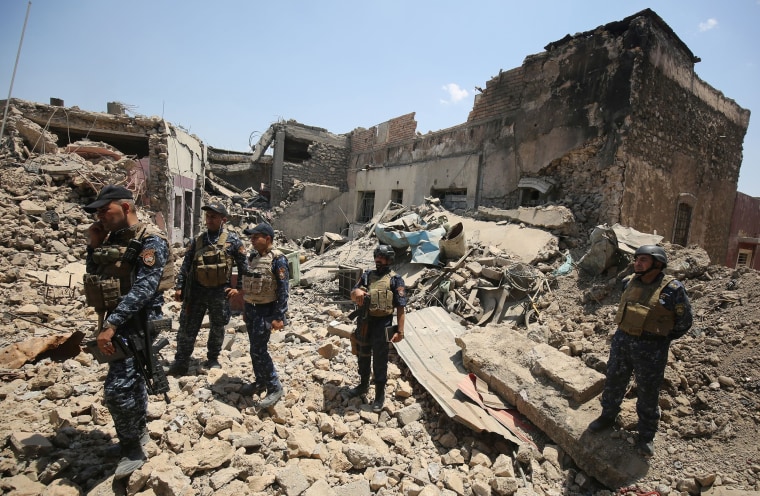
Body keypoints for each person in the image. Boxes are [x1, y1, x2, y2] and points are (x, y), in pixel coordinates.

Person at [82, 185, 173, 479]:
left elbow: (145, 288)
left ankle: (132, 449)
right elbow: (94, 276)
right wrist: (93, 246)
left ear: (124, 207)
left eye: (104, 210)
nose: (100, 216)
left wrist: (111, 325)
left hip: (138, 323)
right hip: (120, 320)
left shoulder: (151, 240)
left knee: (117, 389)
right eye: (96, 212)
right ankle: (136, 435)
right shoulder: (113, 238)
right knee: (131, 383)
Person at [588, 245, 693, 457]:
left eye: (643, 260)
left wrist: (659, 340)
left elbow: (684, 322)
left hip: (651, 349)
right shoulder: (629, 282)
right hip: (622, 343)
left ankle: (646, 435)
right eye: (636, 259)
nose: (637, 263)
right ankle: (608, 416)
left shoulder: (673, 289)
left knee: (648, 391)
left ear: (658, 264)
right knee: (614, 381)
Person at [168, 202, 248, 376]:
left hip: (220, 292)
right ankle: (181, 361)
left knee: (218, 327)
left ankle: (213, 358)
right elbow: (186, 265)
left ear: (223, 219)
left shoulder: (233, 241)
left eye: (213, 216)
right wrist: (180, 286)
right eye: (207, 216)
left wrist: (239, 289)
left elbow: (244, 267)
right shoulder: (198, 240)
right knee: (188, 326)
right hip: (196, 292)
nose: (209, 220)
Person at [346, 244, 407, 412]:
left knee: (380, 360)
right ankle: (363, 385)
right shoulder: (367, 276)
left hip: (384, 323)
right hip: (365, 321)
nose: (378, 261)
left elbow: (401, 307)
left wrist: (400, 331)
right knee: (362, 354)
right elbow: (352, 293)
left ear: (389, 260)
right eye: (376, 257)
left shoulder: (395, 279)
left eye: (382, 258)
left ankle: (380, 394)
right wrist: (356, 293)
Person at [239, 222, 289, 408]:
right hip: (252, 309)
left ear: (267, 239)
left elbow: (284, 291)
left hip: (266, 311)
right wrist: (245, 308)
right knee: (253, 349)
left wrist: (278, 317)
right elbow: (248, 285)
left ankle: (274, 387)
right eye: (251, 237)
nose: (252, 240)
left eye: (255, 236)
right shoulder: (253, 258)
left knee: (260, 350)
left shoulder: (278, 260)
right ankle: (260, 381)